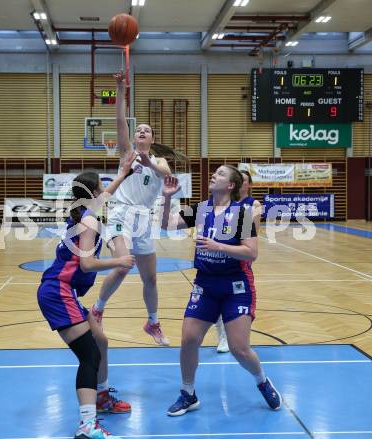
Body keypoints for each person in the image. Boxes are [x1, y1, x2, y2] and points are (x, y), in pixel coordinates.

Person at [161, 165, 282, 417]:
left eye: (221, 174)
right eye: (214, 172)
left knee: (239, 349)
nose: (214, 175)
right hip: (205, 283)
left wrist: (219, 246)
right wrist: (167, 197)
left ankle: (262, 380)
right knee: (188, 339)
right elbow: (167, 225)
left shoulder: (243, 213)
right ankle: (188, 394)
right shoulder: (200, 208)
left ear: (230, 185)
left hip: (235, 285)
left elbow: (252, 252)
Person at [37, 156, 136, 439]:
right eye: (101, 187)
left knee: (101, 341)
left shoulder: (83, 210)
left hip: (61, 290)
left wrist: (124, 173)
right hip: (59, 291)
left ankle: (102, 397)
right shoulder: (90, 220)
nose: (105, 190)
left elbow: (107, 193)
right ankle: (87, 425)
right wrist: (120, 261)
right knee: (90, 355)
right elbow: (87, 264)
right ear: (93, 192)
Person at [91, 71, 173, 346]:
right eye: (139, 129)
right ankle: (98, 307)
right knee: (124, 265)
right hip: (120, 214)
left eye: (146, 131)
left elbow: (162, 172)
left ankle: (153, 322)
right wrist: (119, 89)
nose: (141, 131)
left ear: (152, 138)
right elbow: (119, 122)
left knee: (150, 278)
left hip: (143, 219)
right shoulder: (127, 153)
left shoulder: (160, 161)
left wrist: (149, 162)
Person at [215, 169, 262, 353]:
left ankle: (236, 337)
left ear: (249, 184)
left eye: (245, 180)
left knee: (236, 298)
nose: (241, 183)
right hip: (218, 254)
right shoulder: (224, 202)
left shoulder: (253, 204)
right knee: (216, 297)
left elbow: (253, 231)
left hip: (239, 254)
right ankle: (222, 337)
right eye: (239, 180)